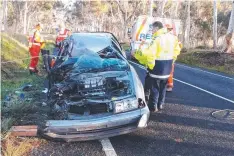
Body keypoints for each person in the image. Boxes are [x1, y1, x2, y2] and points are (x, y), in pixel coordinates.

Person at [134, 21, 181, 112]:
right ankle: (161, 104)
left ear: (156, 28)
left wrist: (148, 64)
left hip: (157, 67)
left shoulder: (156, 39)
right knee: (163, 87)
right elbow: (176, 51)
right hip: (167, 68)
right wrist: (172, 61)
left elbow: (150, 54)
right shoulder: (172, 38)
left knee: (155, 88)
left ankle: (153, 106)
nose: (152, 31)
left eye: (152, 29)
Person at [165, 24, 182, 92]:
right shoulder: (173, 37)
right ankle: (167, 85)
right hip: (168, 57)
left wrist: (174, 56)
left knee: (169, 72)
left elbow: (179, 46)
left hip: (169, 57)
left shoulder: (173, 38)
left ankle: (169, 85)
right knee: (167, 72)